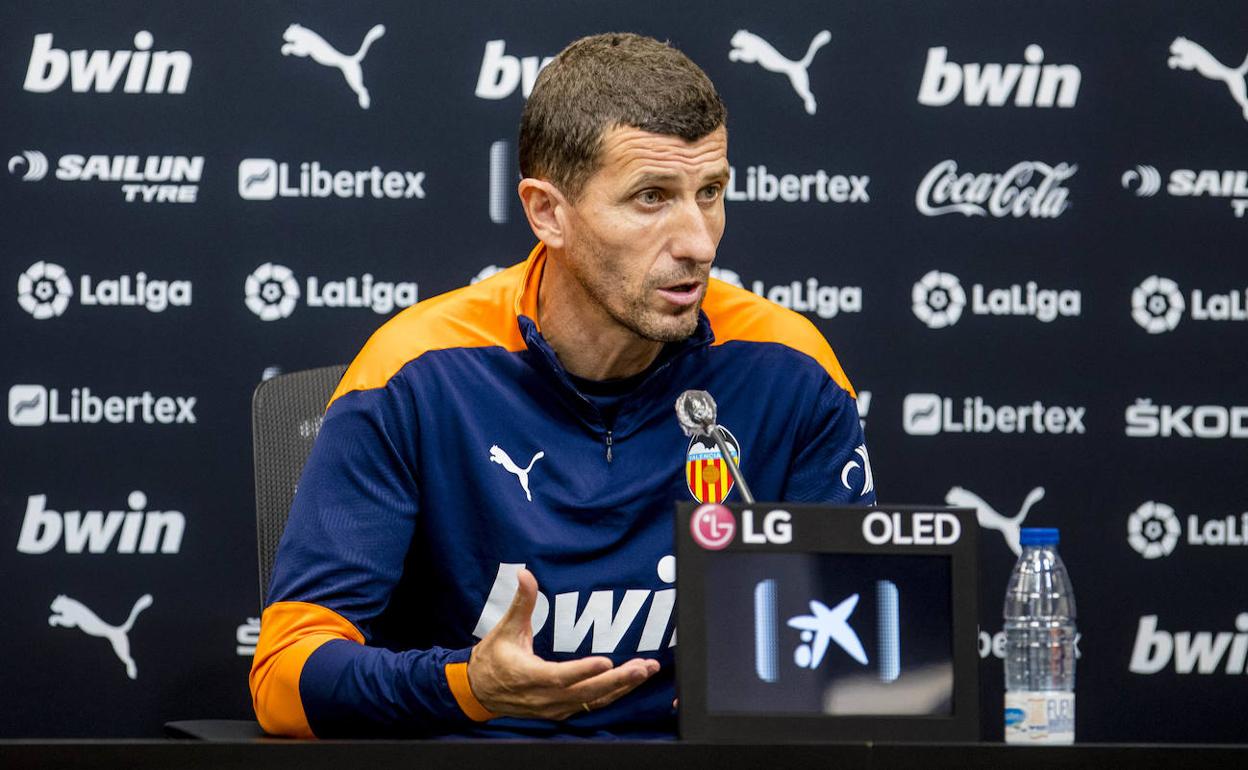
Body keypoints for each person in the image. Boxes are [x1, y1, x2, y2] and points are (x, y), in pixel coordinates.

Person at [250, 31, 875, 739]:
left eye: (710, 193)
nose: (698, 241)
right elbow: (283, 682)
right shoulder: (416, 371)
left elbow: (852, 670)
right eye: (651, 198)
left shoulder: (789, 364)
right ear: (548, 212)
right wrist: (471, 688)